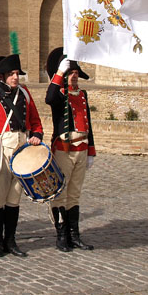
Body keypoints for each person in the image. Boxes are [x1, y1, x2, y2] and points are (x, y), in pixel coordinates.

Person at [0, 51, 44, 258]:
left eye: (17, 74)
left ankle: (11, 240)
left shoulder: (25, 93)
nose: (15, 77)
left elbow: (35, 121)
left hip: (22, 149)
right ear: (1, 76)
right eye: (11, 74)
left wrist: (37, 135)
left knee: (15, 198)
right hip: (0, 149)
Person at [44, 48, 96, 252]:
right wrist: (58, 74)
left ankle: (74, 235)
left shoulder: (82, 95)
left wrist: (91, 150)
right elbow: (49, 98)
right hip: (64, 149)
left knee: (74, 194)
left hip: (81, 148)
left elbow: (88, 124)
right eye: (70, 73)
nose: (74, 76)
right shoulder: (59, 95)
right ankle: (61, 234)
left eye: (75, 73)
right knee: (60, 194)